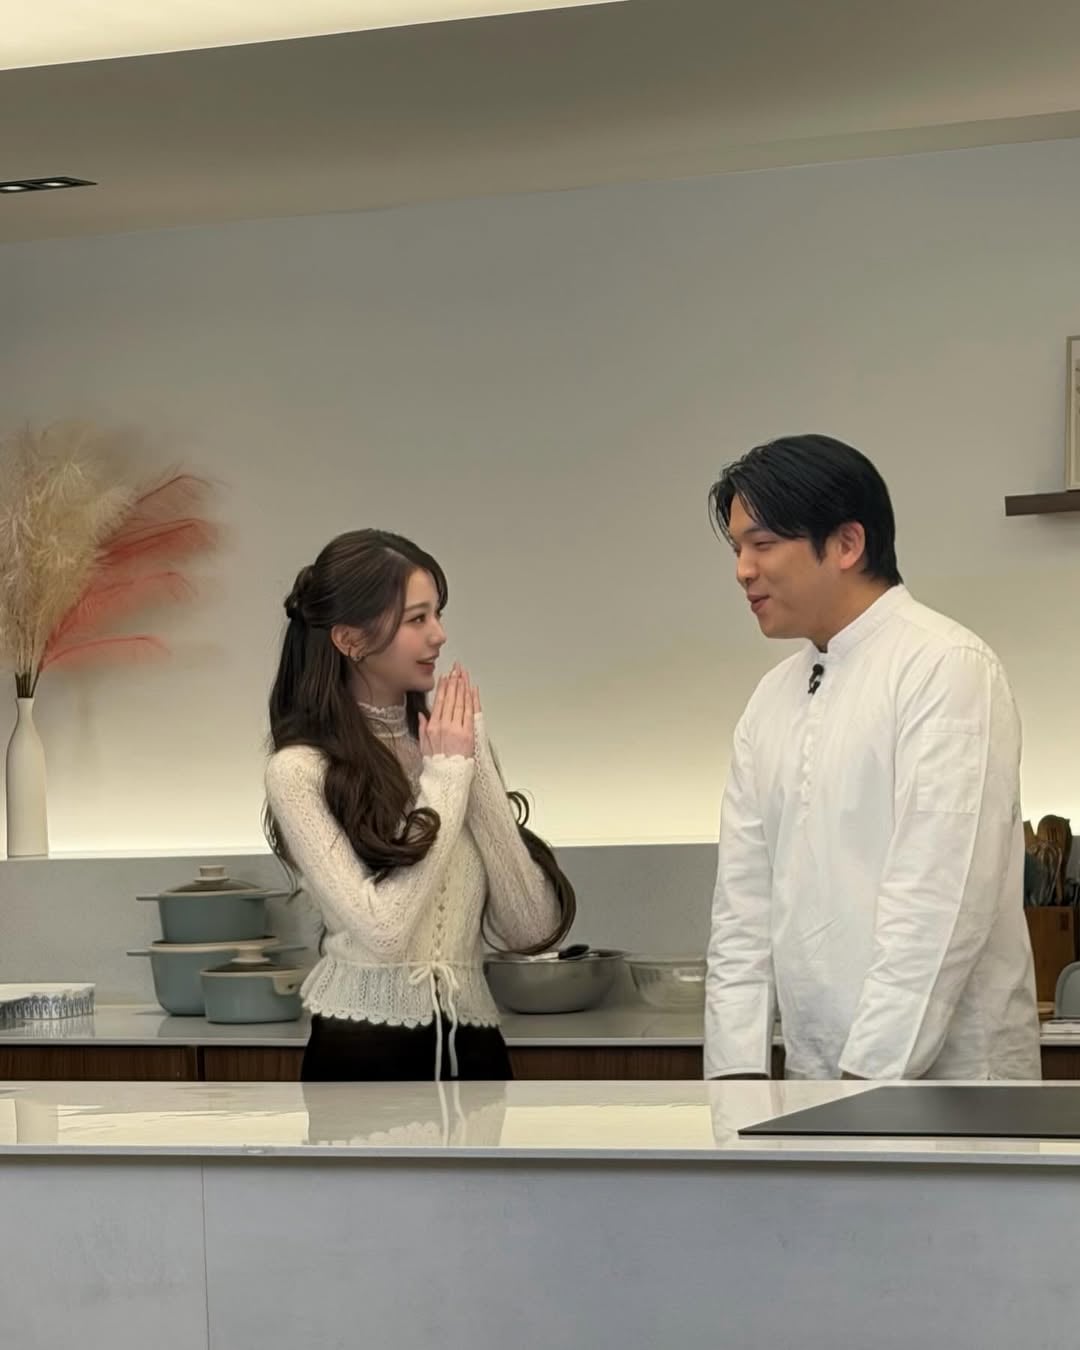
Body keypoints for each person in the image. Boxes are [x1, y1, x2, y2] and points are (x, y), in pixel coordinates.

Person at [703, 434, 1040, 1081]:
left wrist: (864, 1088)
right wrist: (735, 1083)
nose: (743, 570)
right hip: (815, 1086)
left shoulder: (945, 666)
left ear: (847, 543)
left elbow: (938, 907)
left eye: (762, 544)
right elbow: (741, 916)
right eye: (737, 548)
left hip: (950, 1091)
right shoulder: (770, 699)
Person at [264, 528, 575, 1082]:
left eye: (438, 614)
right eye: (417, 619)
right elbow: (384, 934)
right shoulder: (299, 771)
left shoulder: (448, 747)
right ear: (350, 639)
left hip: (476, 1050)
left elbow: (532, 930)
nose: (439, 634)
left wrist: (474, 767)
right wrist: (448, 778)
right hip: (360, 1052)